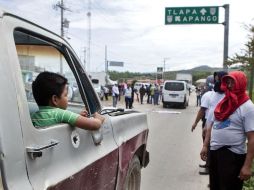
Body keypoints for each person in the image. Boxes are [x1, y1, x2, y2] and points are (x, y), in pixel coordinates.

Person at [200, 71, 254, 190]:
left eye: (232, 83)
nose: (229, 86)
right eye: (228, 82)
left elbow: (252, 138)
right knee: (215, 187)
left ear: (240, 83)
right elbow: (211, 125)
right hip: (215, 152)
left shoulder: (248, 107)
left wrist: (247, 166)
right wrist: (205, 145)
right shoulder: (223, 102)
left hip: (232, 155)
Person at [31, 71, 105, 129]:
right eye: (65, 95)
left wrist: (78, 116)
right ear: (55, 100)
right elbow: (94, 125)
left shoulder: (34, 117)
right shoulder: (60, 113)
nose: (68, 98)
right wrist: (98, 119)